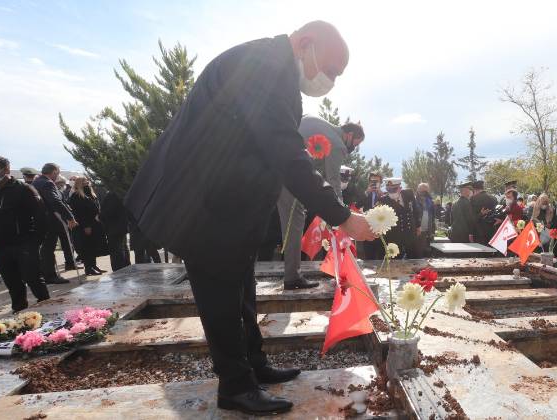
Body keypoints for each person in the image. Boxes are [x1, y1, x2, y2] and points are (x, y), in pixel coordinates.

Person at [124, 22, 376, 415]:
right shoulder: (263, 65)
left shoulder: (272, 67)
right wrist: (341, 216)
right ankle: (235, 387)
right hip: (201, 206)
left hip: (224, 206)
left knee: (241, 288)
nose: (330, 81)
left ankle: (254, 365)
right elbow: (286, 151)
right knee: (220, 296)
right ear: (305, 44)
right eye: (331, 70)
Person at [277, 118, 364, 289]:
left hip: (271, 164)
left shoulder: (316, 120)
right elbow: (334, 181)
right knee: (295, 218)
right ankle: (292, 277)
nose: (352, 149)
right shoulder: (338, 144)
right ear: (350, 134)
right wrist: (341, 216)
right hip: (288, 174)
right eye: (355, 144)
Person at [0, 155, 50, 311]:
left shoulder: (24, 189)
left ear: (6, 169)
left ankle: (50, 310)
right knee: (13, 285)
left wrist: (34, 242)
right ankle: (20, 316)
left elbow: (41, 217)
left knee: (33, 279)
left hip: (24, 245)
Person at [33, 163, 76, 284]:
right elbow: (55, 201)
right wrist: (70, 217)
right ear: (54, 172)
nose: (58, 175)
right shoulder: (47, 183)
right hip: (50, 221)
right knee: (48, 249)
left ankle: (46, 273)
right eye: (57, 172)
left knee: (45, 249)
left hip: (39, 220)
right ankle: (50, 275)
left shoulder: (36, 182)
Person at [68, 177, 107, 276]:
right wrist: (86, 226)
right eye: (85, 181)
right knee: (87, 247)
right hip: (85, 226)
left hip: (94, 224)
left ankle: (93, 265)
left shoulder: (90, 194)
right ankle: (88, 268)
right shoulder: (76, 196)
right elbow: (79, 213)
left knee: (93, 246)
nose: (87, 183)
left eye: (87, 181)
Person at [377, 178, 418, 259]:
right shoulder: (383, 200)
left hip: (410, 233)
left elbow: (416, 210)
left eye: (394, 189)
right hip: (394, 236)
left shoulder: (408, 194)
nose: (391, 192)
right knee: (395, 260)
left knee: (413, 259)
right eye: (389, 189)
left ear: (400, 188)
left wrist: (418, 225)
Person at [100, 191, 131, 271]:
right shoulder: (121, 192)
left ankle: (119, 270)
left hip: (114, 227)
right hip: (121, 226)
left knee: (117, 251)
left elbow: (108, 211)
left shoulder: (112, 195)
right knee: (123, 248)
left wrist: (100, 216)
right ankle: (126, 267)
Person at [361, 171, 384, 260]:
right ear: (369, 182)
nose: (374, 184)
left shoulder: (384, 195)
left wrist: (381, 195)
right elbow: (357, 205)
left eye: (376, 182)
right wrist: (366, 193)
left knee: (381, 257)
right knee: (368, 257)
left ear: (381, 183)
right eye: (372, 181)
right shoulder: (365, 194)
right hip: (367, 229)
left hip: (381, 232)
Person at [411, 183, 436, 259]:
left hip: (427, 232)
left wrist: (432, 231)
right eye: (421, 190)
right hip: (417, 231)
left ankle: (425, 270)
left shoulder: (430, 202)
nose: (423, 192)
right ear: (418, 190)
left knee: (426, 254)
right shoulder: (413, 201)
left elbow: (432, 218)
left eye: (425, 190)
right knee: (417, 254)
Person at [469, 180, 497, 245]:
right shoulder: (494, 198)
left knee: (479, 254)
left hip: (478, 233)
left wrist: (470, 233)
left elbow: (472, 218)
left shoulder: (473, 199)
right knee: (490, 253)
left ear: (475, 190)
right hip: (492, 232)